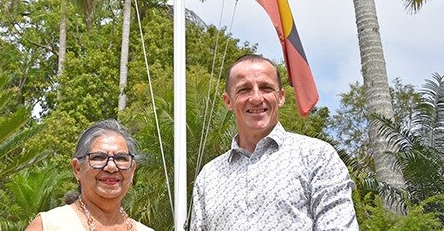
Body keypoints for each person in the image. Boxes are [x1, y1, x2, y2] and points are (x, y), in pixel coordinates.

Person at [190, 54, 358, 230]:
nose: (256, 98)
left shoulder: (316, 156)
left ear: (281, 97)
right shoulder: (209, 176)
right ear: (228, 101)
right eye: (244, 89)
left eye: (266, 88)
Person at [26, 119, 154, 231]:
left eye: (121, 158)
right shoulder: (49, 225)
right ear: (77, 169)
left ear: (132, 170)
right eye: (98, 157)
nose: (111, 167)